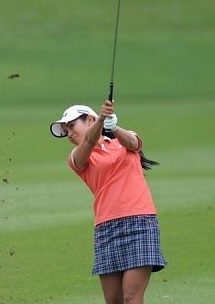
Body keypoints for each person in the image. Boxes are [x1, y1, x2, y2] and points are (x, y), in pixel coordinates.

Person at [50, 100, 167, 304]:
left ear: (90, 120)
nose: (69, 133)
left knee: (131, 297)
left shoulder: (123, 143)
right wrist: (103, 119)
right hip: (106, 229)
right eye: (66, 129)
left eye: (71, 126)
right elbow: (87, 142)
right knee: (113, 300)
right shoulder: (78, 157)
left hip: (141, 222)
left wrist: (113, 125)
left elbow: (134, 143)